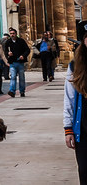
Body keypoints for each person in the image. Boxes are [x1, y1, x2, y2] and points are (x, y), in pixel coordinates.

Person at [63, 23, 87, 184]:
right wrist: (68, 129)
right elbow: (69, 99)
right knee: (85, 171)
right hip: (84, 129)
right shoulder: (75, 66)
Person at [3, 26, 30, 97]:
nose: (12, 35)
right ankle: (12, 91)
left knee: (21, 77)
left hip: (20, 62)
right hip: (12, 62)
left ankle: (22, 91)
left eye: (13, 33)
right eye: (11, 33)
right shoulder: (8, 42)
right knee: (13, 76)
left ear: (16, 34)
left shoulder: (21, 41)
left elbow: (27, 50)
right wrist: (8, 53)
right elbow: (5, 51)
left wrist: (23, 56)